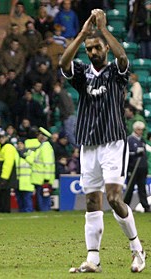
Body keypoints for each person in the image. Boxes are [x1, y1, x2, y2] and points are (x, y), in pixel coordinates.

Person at [60, 9, 146, 273]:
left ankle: (137, 250)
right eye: (89, 48)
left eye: (97, 47)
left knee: (113, 198)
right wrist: (84, 33)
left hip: (112, 143)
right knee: (92, 202)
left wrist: (103, 28)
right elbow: (64, 63)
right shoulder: (83, 73)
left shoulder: (115, 73)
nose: (92, 52)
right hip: (89, 144)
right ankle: (93, 259)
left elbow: (122, 57)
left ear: (106, 48)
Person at [25, 127, 55, 211]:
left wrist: (46, 178)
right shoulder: (42, 147)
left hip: (43, 179)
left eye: (38, 135)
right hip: (40, 178)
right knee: (42, 197)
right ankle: (44, 210)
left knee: (43, 198)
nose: (37, 137)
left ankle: (45, 211)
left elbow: (47, 163)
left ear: (42, 136)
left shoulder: (45, 147)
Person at [124, 121, 150, 212]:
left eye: (142, 130)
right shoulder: (129, 140)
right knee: (130, 187)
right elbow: (126, 154)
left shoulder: (142, 140)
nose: (140, 132)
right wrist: (135, 153)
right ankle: (124, 207)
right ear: (135, 129)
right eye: (139, 129)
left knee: (142, 188)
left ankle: (146, 206)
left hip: (142, 167)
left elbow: (144, 154)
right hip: (132, 167)